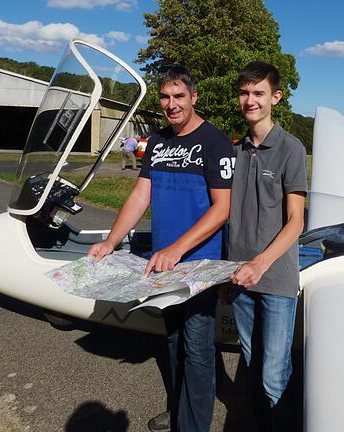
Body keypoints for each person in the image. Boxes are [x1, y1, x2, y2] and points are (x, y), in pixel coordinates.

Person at [87, 65, 235, 432]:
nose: (172, 104)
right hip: (163, 264)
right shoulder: (157, 142)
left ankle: (193, 426)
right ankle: (179, 409)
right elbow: (141, 194)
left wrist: (178, 249)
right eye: (166, 97)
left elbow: (223, 208)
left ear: (194, 97)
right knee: (171, 342)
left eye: (179, 96)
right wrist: (111, 239)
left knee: (198, 349)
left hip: (197, 266)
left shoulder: (214, 142)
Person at [225, 61, 307, 431]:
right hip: (239, 277)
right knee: (252, 360)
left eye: (258, 93)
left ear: (275, 97)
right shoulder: (236, 150)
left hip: (275, 279)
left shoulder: (291, 149)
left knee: (274, 373)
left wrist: (260, 263)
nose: (250, 100)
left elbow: (296, 222)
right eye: (244, 92)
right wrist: (228, 272)